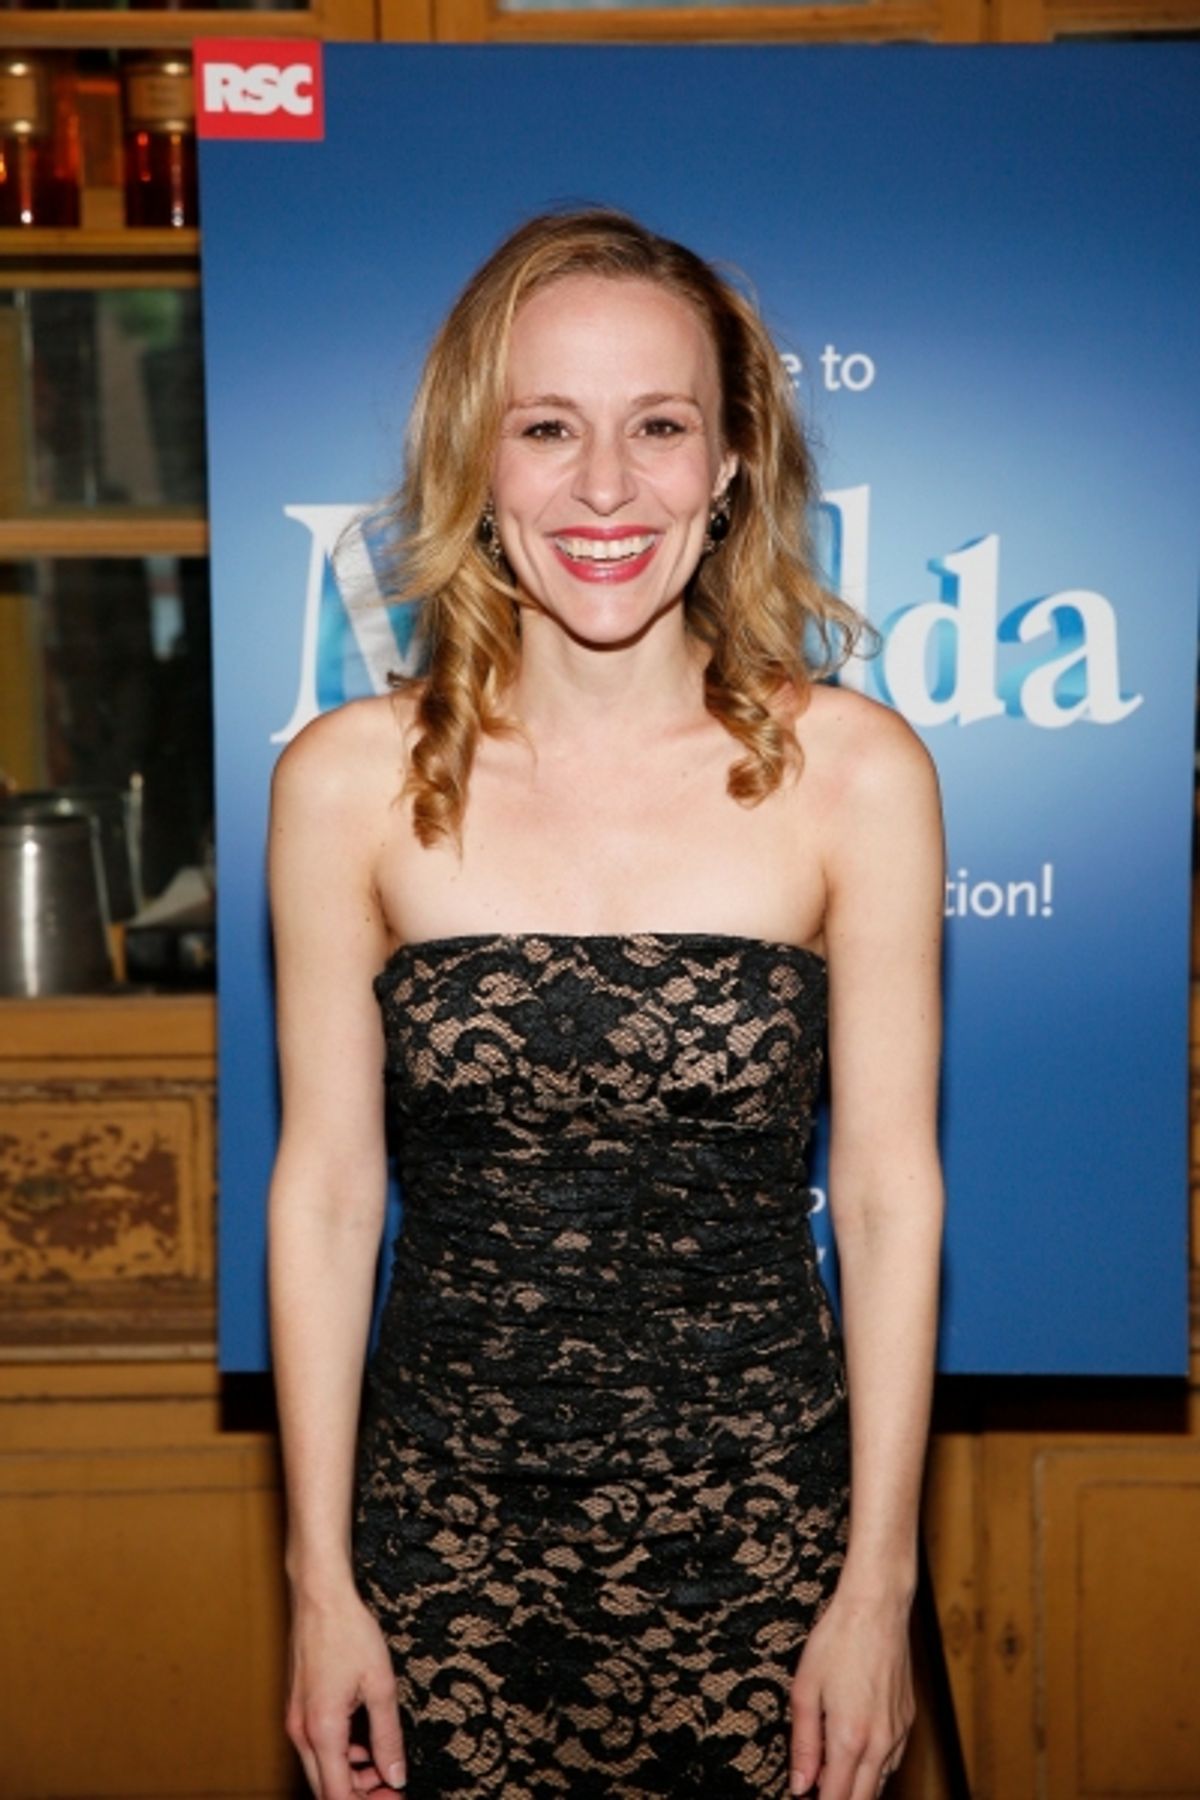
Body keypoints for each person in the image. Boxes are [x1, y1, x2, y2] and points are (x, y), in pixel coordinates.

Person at [266, 206, 945, 1800]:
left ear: (731, 463)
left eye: (659, 426)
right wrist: (318, 1583)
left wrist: (877, 1588)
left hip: (766, 1549)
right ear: (478, 464)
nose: (604, 487)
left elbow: (889, 1197)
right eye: (547, 428)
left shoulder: (857, 774)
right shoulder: (346, 783)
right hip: (439, 1556)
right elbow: (328, 1196)